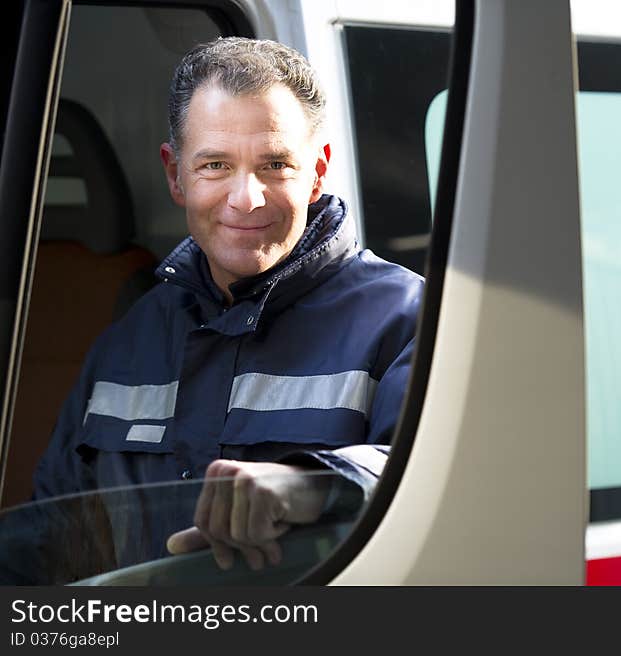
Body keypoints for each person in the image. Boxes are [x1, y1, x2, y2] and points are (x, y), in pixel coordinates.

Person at [26, 37, 420, 576]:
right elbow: (49, 539)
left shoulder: (409, 317)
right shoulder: (129, 337)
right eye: (215, 165)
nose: (246, 198)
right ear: (175, 175)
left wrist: (312, 484)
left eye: (275, 164)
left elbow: (443, 481)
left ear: (318, 172)